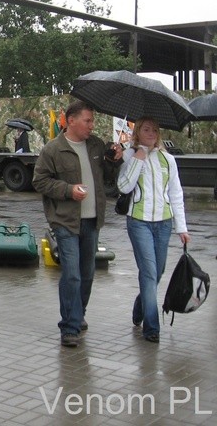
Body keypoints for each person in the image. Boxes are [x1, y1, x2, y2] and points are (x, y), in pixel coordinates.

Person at [32, 100, 123, 347]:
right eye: (87, 120)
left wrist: (114, 160)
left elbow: (109, 179)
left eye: (92, 121)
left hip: (92, 220)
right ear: (70, 120)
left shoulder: (96, 146)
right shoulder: (53, 149)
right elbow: (39, 181)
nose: (92, 126)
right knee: (71, 275)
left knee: (87, 274)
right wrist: (68, 190)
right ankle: (69, 327)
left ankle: (78, 313)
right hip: (65, 221)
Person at [117, 117, 191, 343]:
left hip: (164, 223)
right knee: (149, 273)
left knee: (157, 273)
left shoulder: (168, 159)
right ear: (137, 132)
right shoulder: (130, 156)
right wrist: (138, 157)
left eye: (154, 130)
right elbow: (123, 186)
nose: (151, 133)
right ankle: (152, 328)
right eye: (146, 129)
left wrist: (182, 227)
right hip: (139, 222)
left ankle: (140, 305)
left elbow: (176, 194)